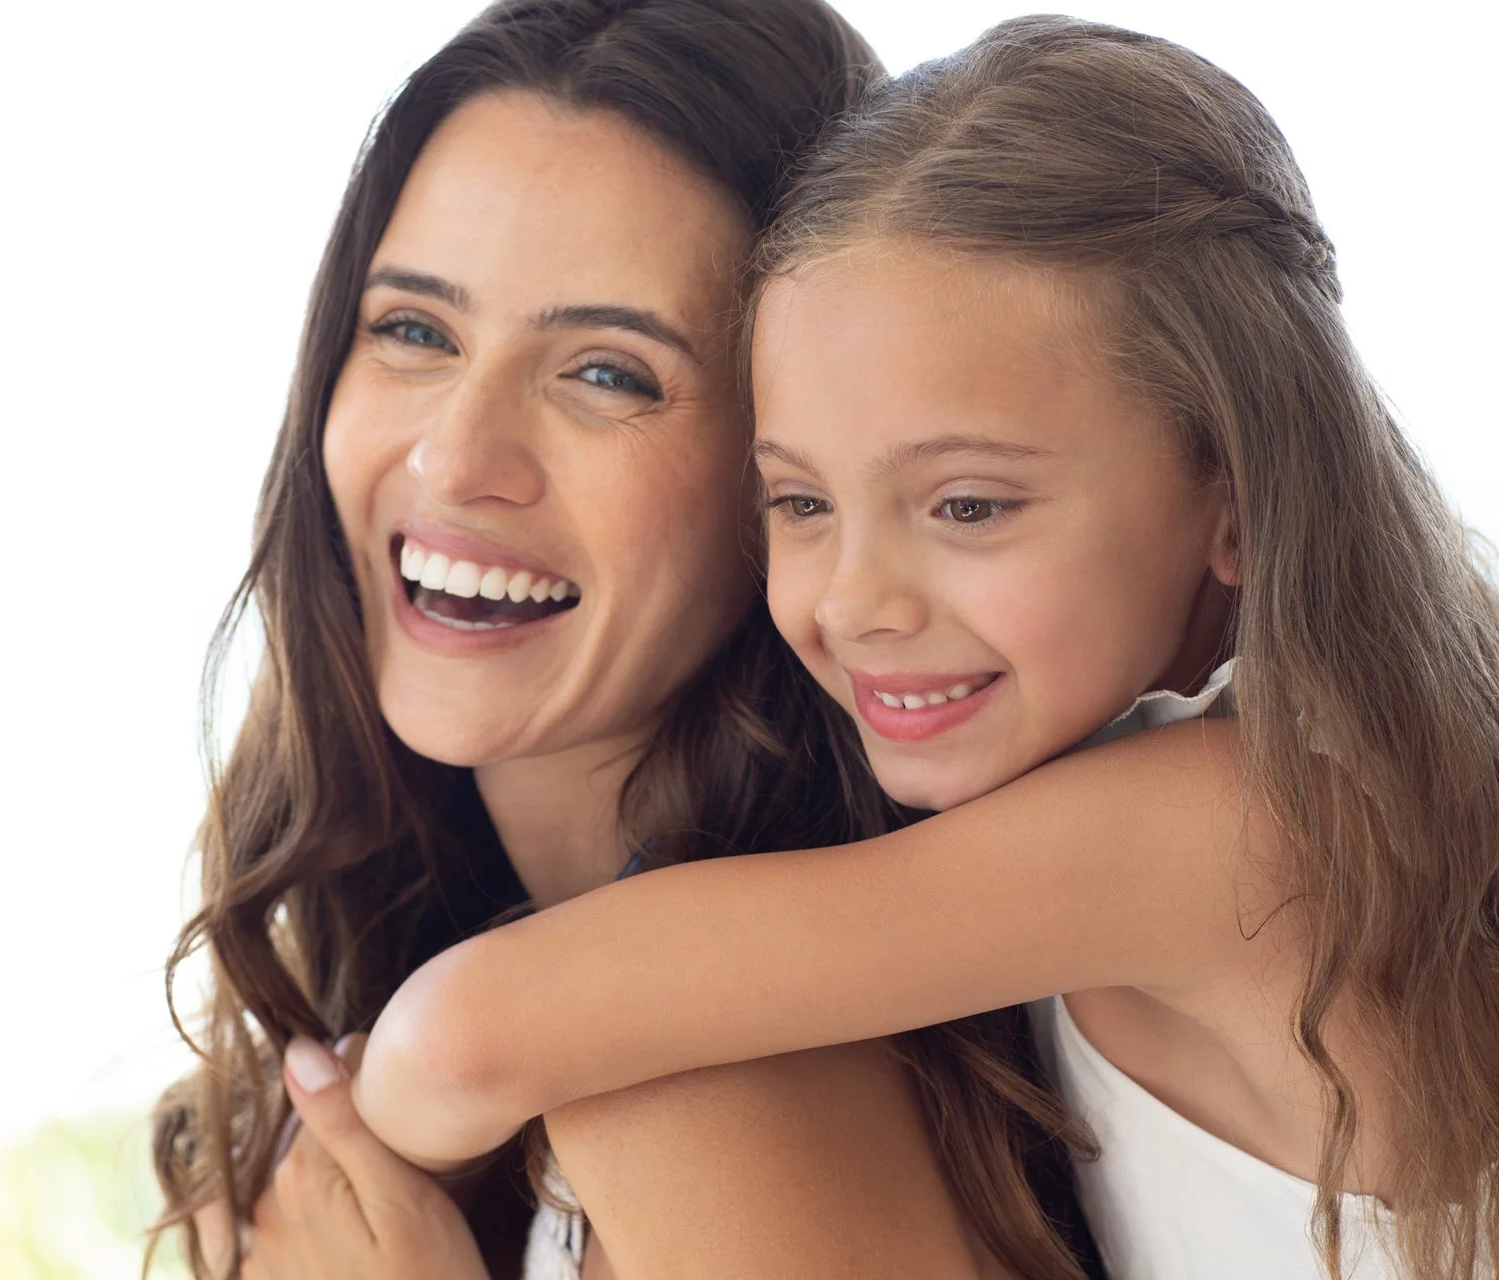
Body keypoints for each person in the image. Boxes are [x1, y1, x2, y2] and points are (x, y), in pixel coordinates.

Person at [350, 16, 1499, 1280]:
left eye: (967, 507)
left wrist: (378, 1156)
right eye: (799, 503)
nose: (858, 602)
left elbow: (461, 1038)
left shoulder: (1239, 822)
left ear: (1232, 494)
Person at [151, 3, 1101, 1278]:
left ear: (787, 473)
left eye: (609, 373)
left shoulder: (701, 1092)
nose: (454, 457)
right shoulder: (456, 983)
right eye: (415, 332)